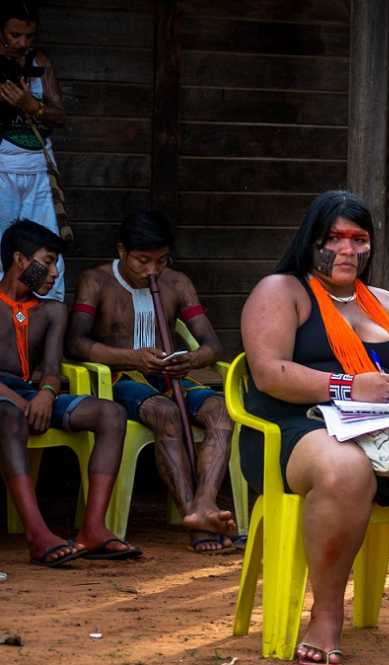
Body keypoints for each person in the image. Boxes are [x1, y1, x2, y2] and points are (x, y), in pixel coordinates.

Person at [240, 190, 389, 665]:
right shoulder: (282, 290)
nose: (347, 250)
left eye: (358, 239)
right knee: (346, 468)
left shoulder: (388, 304)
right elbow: (270, 373)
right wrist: (347, 386)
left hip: (388, 431)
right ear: (312, 242)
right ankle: (327, 615)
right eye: (334, 238)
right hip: (296, 428)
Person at [65, 209, 237, 553]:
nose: (152, 271)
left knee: (220, 410)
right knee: (165, 413)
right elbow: (76, 343)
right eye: (142, 261)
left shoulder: (177, 283)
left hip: (169, 376)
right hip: (121, 377)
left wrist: (192, 359)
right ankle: (192, 514)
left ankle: (204, 504)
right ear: (121, 251)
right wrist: (131, 357)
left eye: (160, 260)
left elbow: (211, 345)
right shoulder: (96, 281)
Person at [1, 219, 140, 566]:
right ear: (20, 259)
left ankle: (93, 528)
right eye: (47, 262)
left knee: (111, 413)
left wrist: (47, 394)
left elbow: (51, 368)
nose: (54, 273)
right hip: (4, 398)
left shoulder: (52, 311)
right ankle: (36, 533)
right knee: (8, 412)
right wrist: (19, 401)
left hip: (34, 394)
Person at [0, 1, 68, 301]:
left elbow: (59, 115)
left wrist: (31, 105)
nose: (22, 42)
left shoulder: (40, 62)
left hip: (38, 173)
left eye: (28, 35)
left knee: (45, 249)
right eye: (15, 35)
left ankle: (39, 316)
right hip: (2, 168)